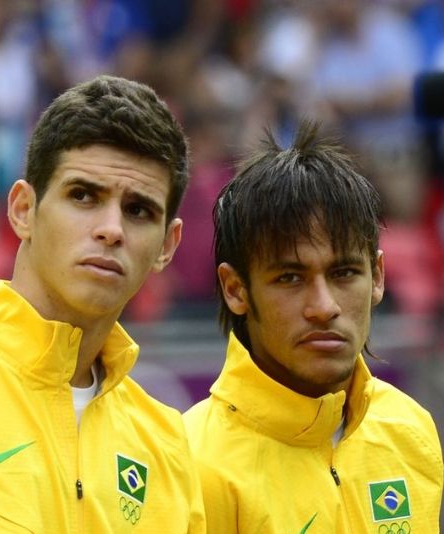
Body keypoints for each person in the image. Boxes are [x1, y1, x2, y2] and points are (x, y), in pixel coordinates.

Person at [0, 74, 206, 532]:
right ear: (23, 210)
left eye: (138, 210)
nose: (111, 229)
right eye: (83, 196)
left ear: (167, 245)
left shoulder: (166, 443)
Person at [182, 120, 444, 532]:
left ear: (377, 277)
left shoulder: (410, 427)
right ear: (235, 289)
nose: (324, 307)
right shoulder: (188, 461)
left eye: (344, 273)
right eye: (290, 278)